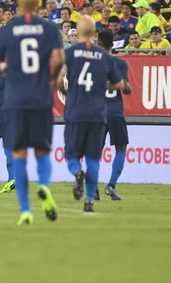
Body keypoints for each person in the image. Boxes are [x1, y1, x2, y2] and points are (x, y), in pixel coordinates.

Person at [0, 0, 65, 226]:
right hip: (41, 97)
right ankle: (43, 186)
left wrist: (6, 69)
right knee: (42, 151)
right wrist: (52, 78)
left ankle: (25, 211)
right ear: (38, 4)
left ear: (17, 5)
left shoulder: (5, 32)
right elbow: (60, 60)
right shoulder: (50, 28)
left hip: (14, 99)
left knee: (19, 154)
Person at [58, 22, 124, 213]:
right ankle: (90, 199)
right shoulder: (105, 57)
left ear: (77, 33)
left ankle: (78, 173)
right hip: (98, 112)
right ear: (94, 34)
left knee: (73, 156)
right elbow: (120, 85)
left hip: (76, 112)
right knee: (94, 158)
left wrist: (69, 95)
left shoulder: (70, 54)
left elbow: (57, 81)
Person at [99, 30, 132, 201]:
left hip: (96, 111)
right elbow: (126, 89)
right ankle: (111, 185)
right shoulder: (119, 63)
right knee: (120, 147)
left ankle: (92, 188)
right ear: (113, 45)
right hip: (114, 111)